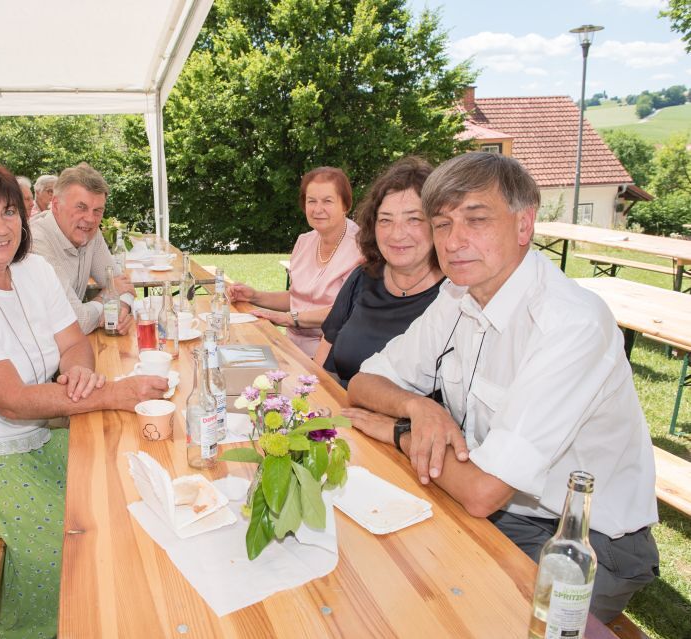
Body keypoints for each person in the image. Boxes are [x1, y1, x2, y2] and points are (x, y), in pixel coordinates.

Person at [346, 152, 659, 622]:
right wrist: (417, 406)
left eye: (476, 219)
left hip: (582, 543)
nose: (454, 241)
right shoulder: (458, 295)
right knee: (374, 574)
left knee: (441, 616)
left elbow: (482, 491)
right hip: (493, 506)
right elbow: (364, 381)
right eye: (442, 224)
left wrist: (399, 431)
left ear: (524, 224)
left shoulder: (569, 323)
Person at [0, 162, 167, 638]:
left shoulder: (32, 269)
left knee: (114, 477)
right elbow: (13, 401)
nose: (1, 227)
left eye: (9, 212)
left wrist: (79, 370)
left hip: (27, 439)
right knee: (66, 541)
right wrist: (112, 394)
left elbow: (73, 342)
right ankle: (35, 628)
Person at [313, 158, 444, 387]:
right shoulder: (363, 278)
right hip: (337, 407)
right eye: (385, 220)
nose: (397, 234)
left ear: (438, 224)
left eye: (413, 219)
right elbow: (322, 370)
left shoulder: (455, 298)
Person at [227, 167, 364, 357]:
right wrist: (254, 296)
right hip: (290, 346)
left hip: (332, 355)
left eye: (327, 201)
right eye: (311, 201)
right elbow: (297, 298)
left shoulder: (361, 248)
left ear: (345, 205)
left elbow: (347, 310)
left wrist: (288, 319)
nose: (318, 209)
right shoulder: (304, 241)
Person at [30, 162, 136, 335]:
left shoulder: (90, 232)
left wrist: (122, 308)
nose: (90, 219)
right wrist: (105, 297)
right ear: (55, 205)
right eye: (81, 207)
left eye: (97, 211)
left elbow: (123, 286)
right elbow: (77, 322)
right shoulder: (36, 243)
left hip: (71, 345)